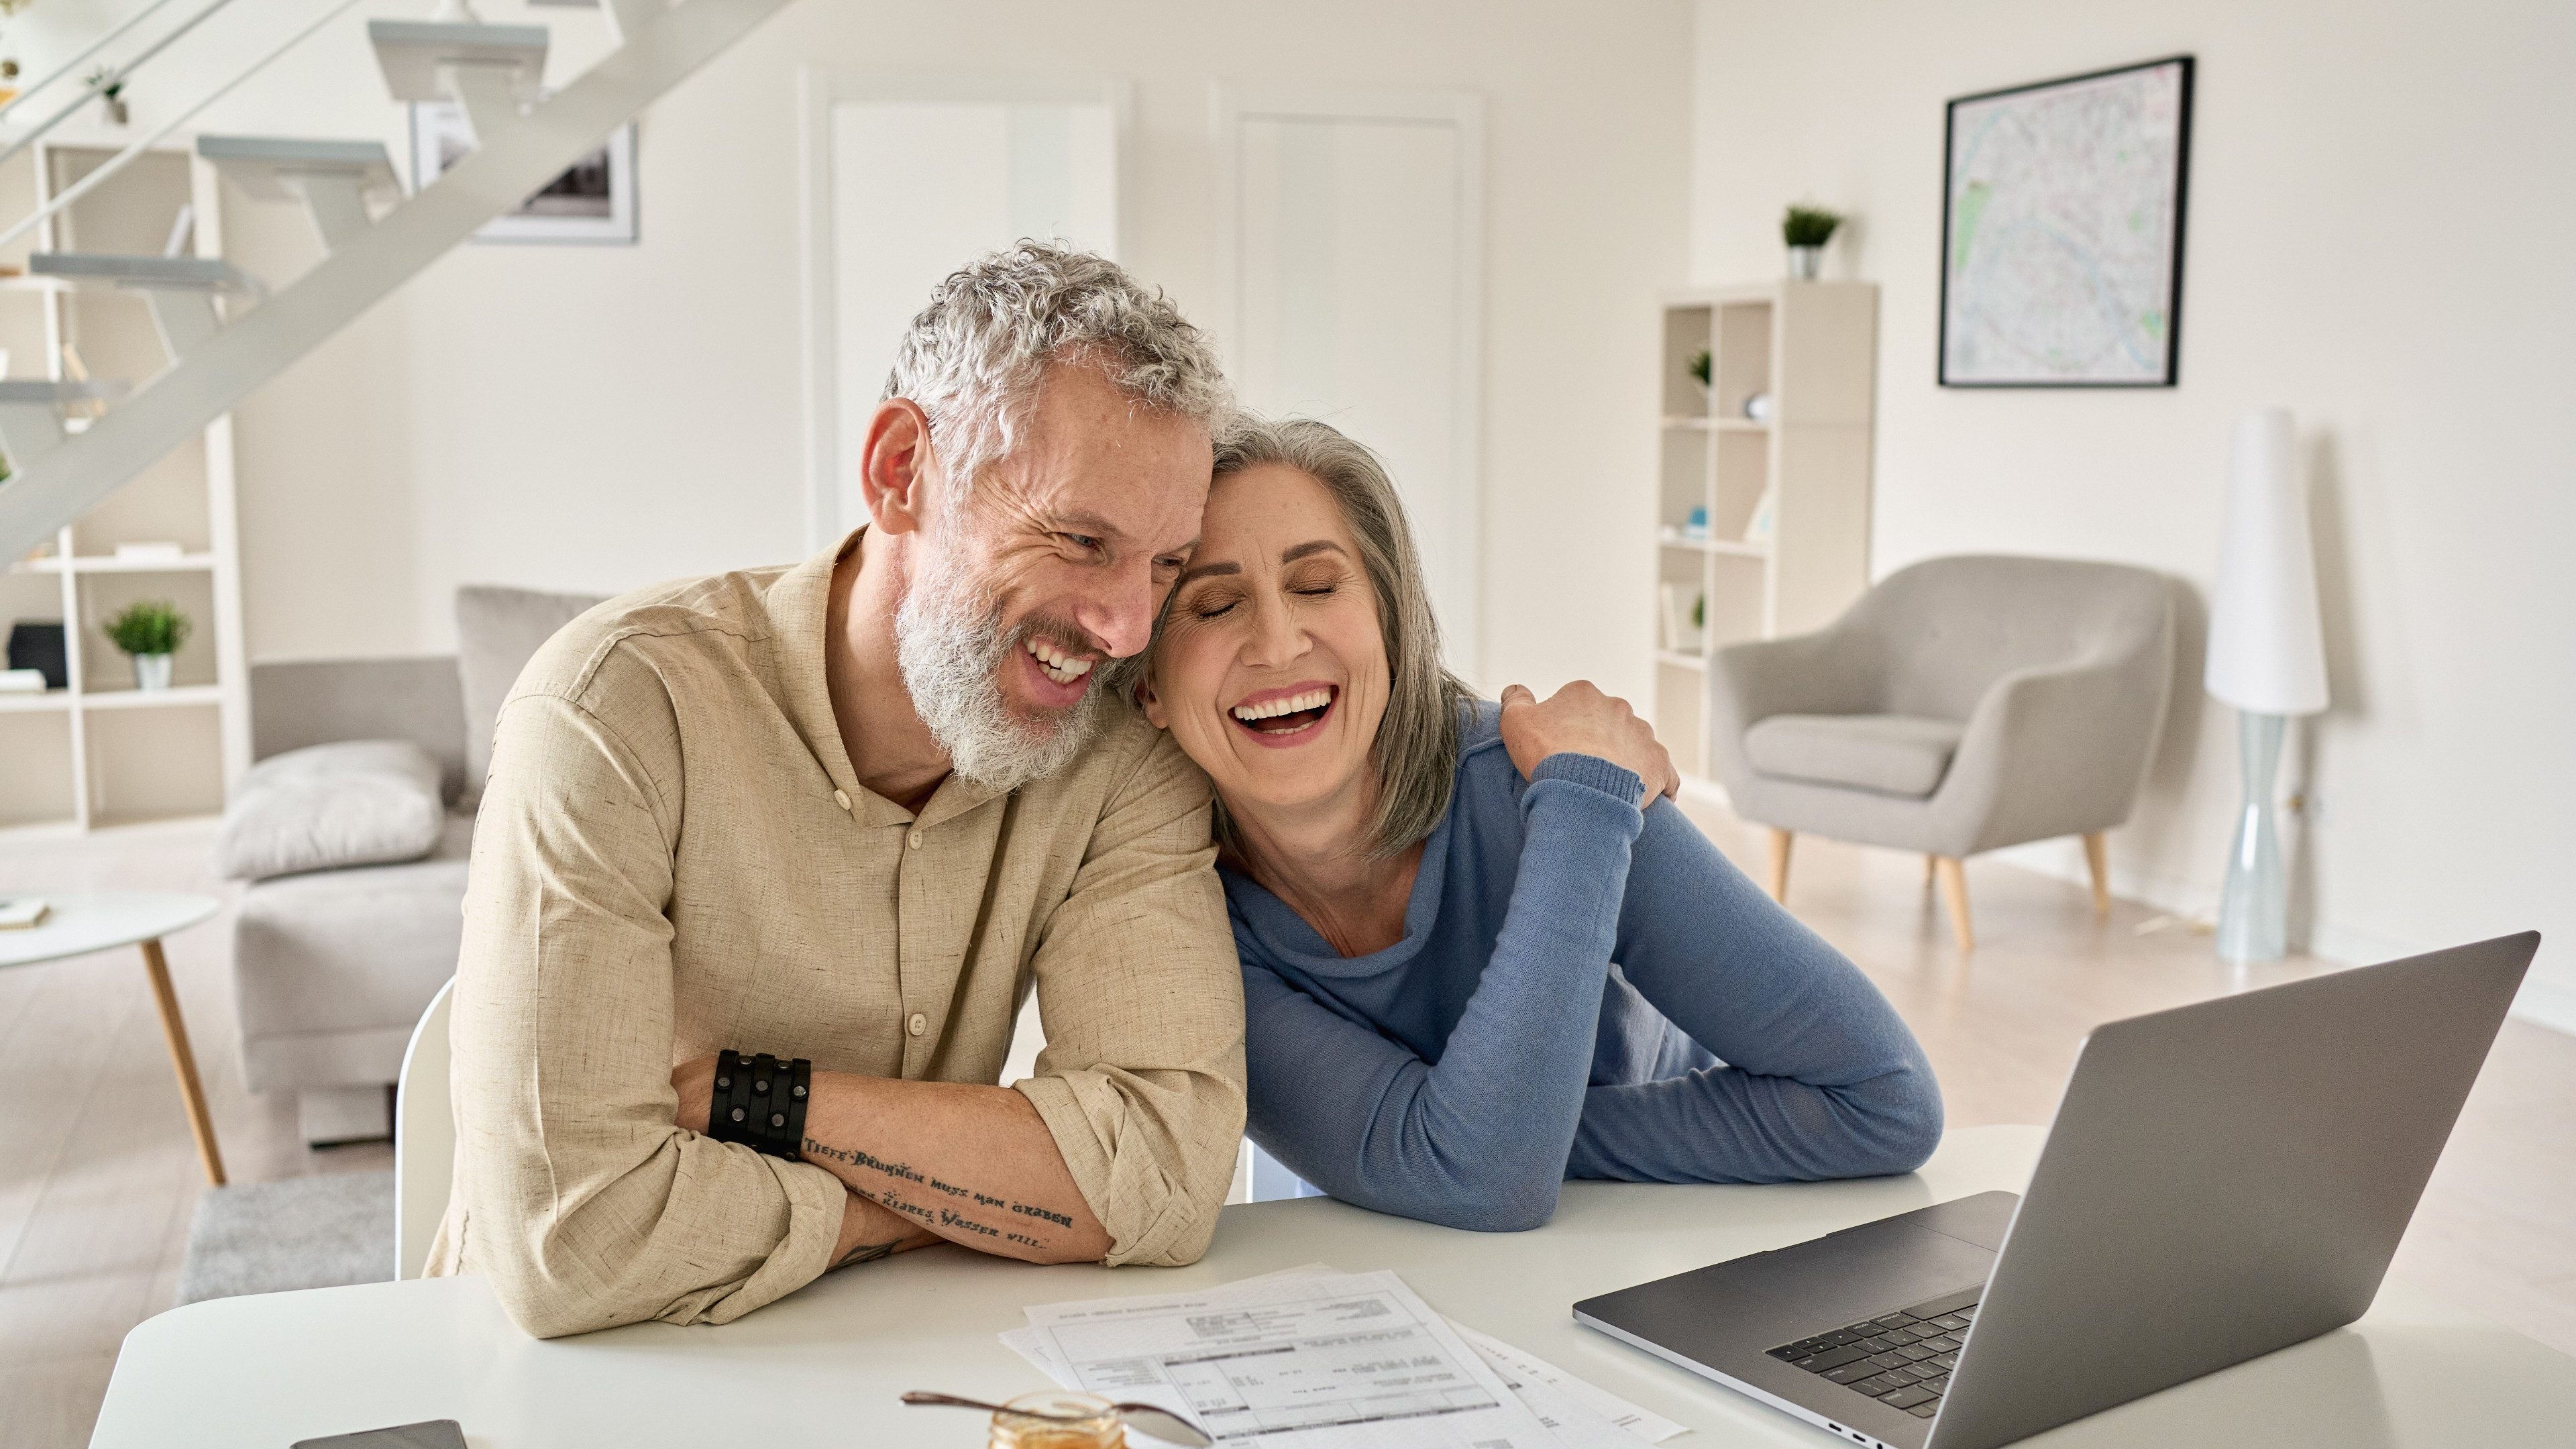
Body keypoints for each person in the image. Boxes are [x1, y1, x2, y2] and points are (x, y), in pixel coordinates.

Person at [431, 244, 1248, 1338]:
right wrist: (935, 1206)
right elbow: (574, 1240)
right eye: (1081, 540)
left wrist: (751, 1099)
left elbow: (1164, 1171)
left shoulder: (1121, 758)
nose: (1127, 627)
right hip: (564, 1385)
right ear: (902, 470)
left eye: (1163, 564)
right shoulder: (616, 706)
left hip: (879, 1368)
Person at [1139, 416, 1943, 1232]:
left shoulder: (1562, 790)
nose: (1278, 642)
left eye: (1316, 585)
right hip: (1402, 1271)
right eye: (1213, 605)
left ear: (1388, 622)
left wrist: (1488, 1136)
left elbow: (1885, 1098)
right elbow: (1476, 1176)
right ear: (1148, 691)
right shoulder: (1174, 920)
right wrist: (1478, 1142)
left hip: (1664, 1241)